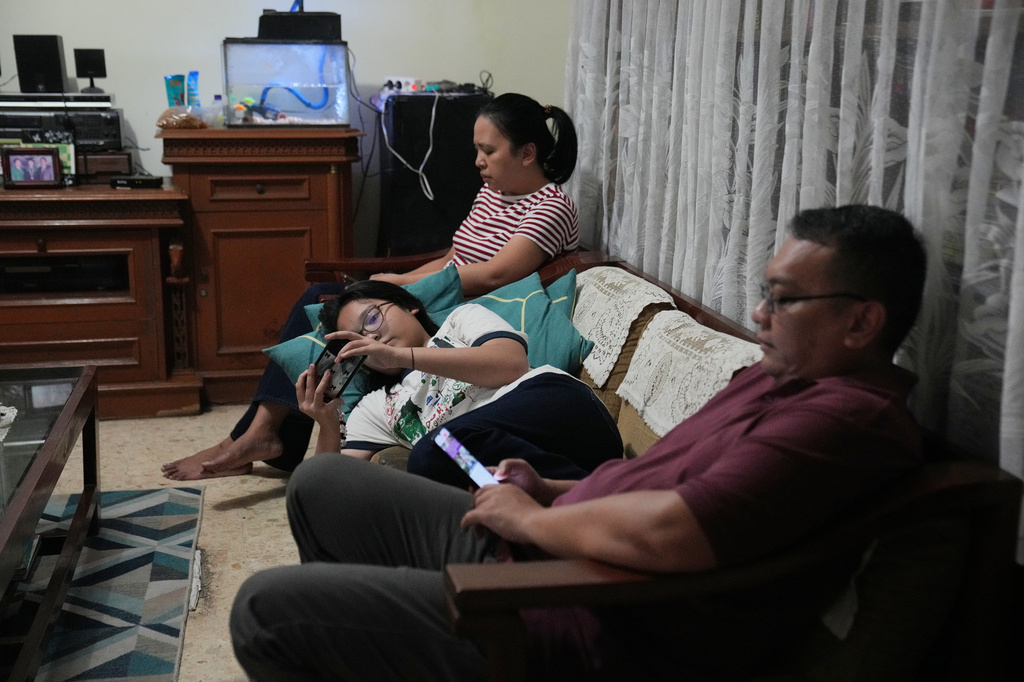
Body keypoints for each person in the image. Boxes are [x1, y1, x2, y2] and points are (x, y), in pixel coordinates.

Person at [230, 205, 929, 681]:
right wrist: (548, 491)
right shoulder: (782, 377)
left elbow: (676, 531)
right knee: (324, 485)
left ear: (863, 323)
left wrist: (538, 520)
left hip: (583, 614)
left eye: (783, 299)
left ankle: (403, 632)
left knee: (266, 608)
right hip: (553, 542)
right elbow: (658, 482)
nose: (758, 313)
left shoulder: (845, 421)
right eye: (766, 292)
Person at [162, 92, 581, 480]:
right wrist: (400, 279)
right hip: (446, 290)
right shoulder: (493, 193)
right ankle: (263, 433)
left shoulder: (552, 206)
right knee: (326, 299)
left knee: (321, 299)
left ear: (528, 153)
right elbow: (455, 257)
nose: (477, 161)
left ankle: (259, 433)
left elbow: (494, 274)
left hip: (466, 304)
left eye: (488, 150)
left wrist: (400, 282)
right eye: (476, 149)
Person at [294, 280, 622, 485]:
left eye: (372, 318)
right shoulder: (375, 407)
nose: (372, 336)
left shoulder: (459, 321)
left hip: (561, 408)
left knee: (435, 448)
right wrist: (326, 424)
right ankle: (575, 492)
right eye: (359, 340)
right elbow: (331, 484)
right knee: (436, 460)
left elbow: (510, 364)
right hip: (520, 460)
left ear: (410, 306)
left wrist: (404, 356)